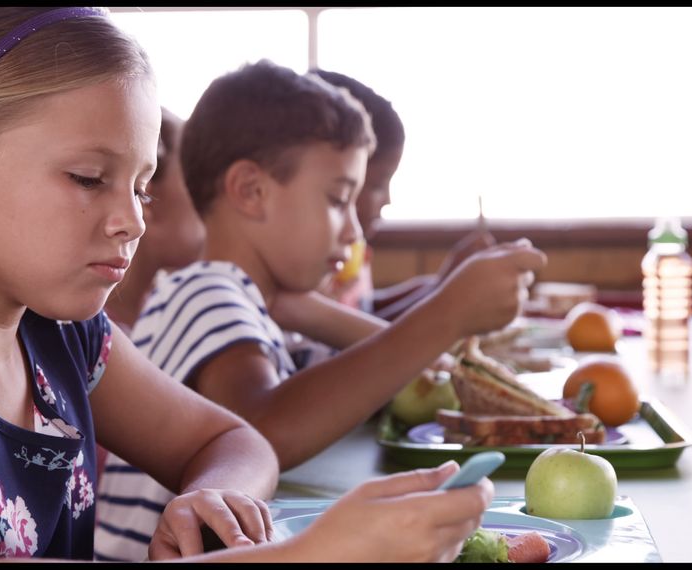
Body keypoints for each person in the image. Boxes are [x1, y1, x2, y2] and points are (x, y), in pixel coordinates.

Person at [0, 7, 494, 563]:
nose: (130, 220)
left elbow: (238, 440)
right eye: (89, 178)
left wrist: (216, 496)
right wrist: (312, 550)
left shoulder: (62, 338)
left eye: (143, 187)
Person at [93, 59, 545, 562]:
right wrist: (447, 314)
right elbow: (266, 426)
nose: (353, 231)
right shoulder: (204, 293)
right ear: (251, 191)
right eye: (337, 199)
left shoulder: (248, 303)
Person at [309, 69, 499, 322]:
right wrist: (447, 295)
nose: (387, 199)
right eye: (377, 184)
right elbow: (353, 338)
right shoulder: (320, 258)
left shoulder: (352, 245)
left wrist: (444, 283)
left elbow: (363, 311)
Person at [103, 107, 205, 332]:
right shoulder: (84, 330)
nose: (210, 201)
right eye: (196, 183)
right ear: (146, 194)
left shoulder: (173, 311)